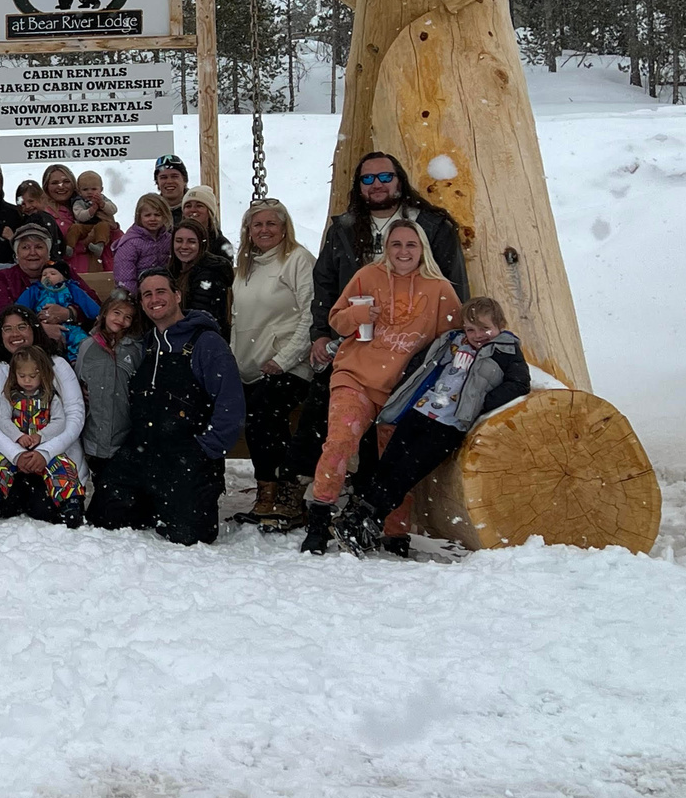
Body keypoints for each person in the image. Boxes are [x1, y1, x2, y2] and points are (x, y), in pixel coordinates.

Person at [301, 217, 463, 556]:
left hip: (403, 389)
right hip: (355, 375)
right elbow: (336, 320)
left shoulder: (440, 289)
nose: (403, 251)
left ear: (422, 250)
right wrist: (358, 318)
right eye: (396, 244)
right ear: (386, 249)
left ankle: (395, 533)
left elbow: (452, 339)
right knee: (340, 442)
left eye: (410, 245)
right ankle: (318, 520)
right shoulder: (366, 277)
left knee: (395, 460)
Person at [336, 296, 531, 554]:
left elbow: (519, 384)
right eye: (471, 329)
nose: (478, 335)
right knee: (388, 466)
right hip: (420, 412)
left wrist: (480, 403)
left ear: (500, 325)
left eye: (485, 328)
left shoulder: (506, 351)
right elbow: (423, 365)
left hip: (448, 426)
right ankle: (363, 519)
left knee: (405, 474)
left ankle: (362, 520)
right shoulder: (452, 341)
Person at [88, 269, 244, 545]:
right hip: (141, 450)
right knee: (102, 517)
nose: (154, 299)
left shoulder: (206, 343)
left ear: (177, 295)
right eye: (147, 294)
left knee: (190, 535)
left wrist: (205, 451)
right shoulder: (144, 344)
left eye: (161, 291)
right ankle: (152, 502)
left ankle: (173, 502)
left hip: (187, 453)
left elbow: (230, 405)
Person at [308, 151, 469, 370]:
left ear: (399, 181)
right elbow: (325, 284)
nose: (376, 184)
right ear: (359, 186)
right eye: (367, 179)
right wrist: (320, 334)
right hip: (355, 344)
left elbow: (454, 284)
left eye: (385, 177)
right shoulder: (343, 231)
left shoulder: (431, 227)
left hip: (415, 350)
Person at [227, 199, 316, 532]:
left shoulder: (298, 260)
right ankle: (267, 492)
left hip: (290, 366)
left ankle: (279, 492)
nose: (263, 231)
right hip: (251, 367)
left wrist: (285, 359)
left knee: (265, 413)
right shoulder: (245, 266)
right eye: (257, 225)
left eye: (270, 224)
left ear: (284, 227)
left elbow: (311, 314)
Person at [0, 344, 86, 524]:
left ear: (43, 374)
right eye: (22, 376)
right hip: (15, 448)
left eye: (33, 376)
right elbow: (3, 421)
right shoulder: (9, 396)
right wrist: (18, 437)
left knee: (62, 468)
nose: (27, 381)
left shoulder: (50, 397)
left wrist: (42, 436)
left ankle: (70, 505)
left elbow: (59, 421)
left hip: (44, 448)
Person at [75, 291, 145, 502]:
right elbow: (78, 380)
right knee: (100, 477)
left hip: (122, 429)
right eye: (116, 313)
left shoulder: (135, 349)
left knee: (117, 488)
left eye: (127, 317)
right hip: (94, 430)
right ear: (105, 313)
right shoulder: (87, 346)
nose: (121, 320)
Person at [0, 224, 69, 327]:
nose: (32, 252)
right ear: (17, 254)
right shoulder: (4, 277)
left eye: (39, 247)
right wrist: (39, 329)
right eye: (25, 247)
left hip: (70, 334)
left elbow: (90, 301)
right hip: (21, 338)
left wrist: (69, 313)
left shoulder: (61, 271)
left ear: (48, 253)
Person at [15, 262, 101, 356]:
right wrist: (33, 321)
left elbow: (88, 304)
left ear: (63, 277)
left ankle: (77, 359)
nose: (47, 276)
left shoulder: (71, 288)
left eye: (53, 274)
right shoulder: (36, 290)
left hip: (69, 326)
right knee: (44, 346)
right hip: (45, 326)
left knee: (81, 340)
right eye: (44, 274)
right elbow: (20, 309)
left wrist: (97, 314)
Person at [171, 218, 234, 336]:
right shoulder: (174, 271)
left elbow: (200, 318)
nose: (184, 246)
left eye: (191, 241)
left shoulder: (211, 274)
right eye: (179, 241)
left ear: (201, 244)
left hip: (203, 342)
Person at [105, 193, 173, 298]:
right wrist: (132, 295)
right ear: (139, 217)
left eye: (157, 215)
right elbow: (125, 273)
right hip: (140, 292)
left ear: (165, 217)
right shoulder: (131, 242)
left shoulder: (168, 239)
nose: (153, 219)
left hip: (163, 290)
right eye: (147, 215)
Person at [64, 169, 118, 268]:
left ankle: (99, 245)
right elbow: (79, 214)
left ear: (101, 189)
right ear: (79, 191)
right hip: (84, 226)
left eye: (94, 189)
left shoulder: (103, 199)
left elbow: (113, 209)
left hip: (99, 225)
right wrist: (91, 211)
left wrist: (103, 205)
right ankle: (69, 247)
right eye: (85, 190)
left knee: (103, 226)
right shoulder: (79, 201)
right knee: (75, 228)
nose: (89, 192)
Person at [13, 179, 69, 261]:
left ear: (42, 199)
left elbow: (28, 243)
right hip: (53, 261)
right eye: (23, 204)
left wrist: (11, 237)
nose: (27, 206)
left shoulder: (37, 219)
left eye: (31, 201)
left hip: (43, 263)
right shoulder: (48, 218)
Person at [179, 186, 233, 258]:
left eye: (199, 206)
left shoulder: (222, 244)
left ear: (209, 212)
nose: (193, 210)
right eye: (188, 206)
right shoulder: (175, 240)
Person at [152, 153, 190, 217]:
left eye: (174, 176)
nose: (169, 181)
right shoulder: (150, 210)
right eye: (163, 177)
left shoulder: (198, 207)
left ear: (184, 180)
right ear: (157, 182)